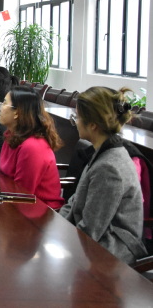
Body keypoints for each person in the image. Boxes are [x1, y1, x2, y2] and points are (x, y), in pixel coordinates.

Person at [60, 87, 147, 264]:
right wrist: (56, 225)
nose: (75, 121)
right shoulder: (102, 152)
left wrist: (59, 239)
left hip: (113, 249)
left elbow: (91, 230)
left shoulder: (109, 167)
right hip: (96, 239)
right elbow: (75, 201)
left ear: (93, 125)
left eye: (77, 117)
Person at [0, 86, 64, 209]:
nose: (0, 107)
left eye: (4, 103)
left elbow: (22, 193)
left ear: (17, 112)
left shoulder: (33, 147)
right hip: (14, 202)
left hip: (41, 210)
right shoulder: (11, 135)